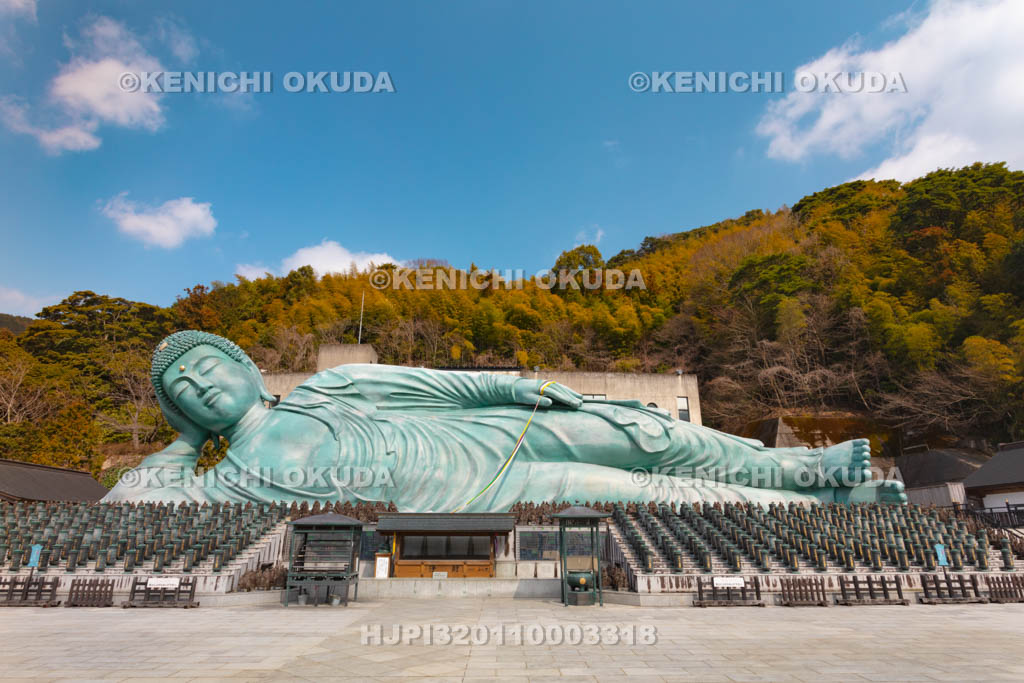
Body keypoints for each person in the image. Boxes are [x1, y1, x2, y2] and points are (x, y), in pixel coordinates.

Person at [103, 330, 906, 510]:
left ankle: (801, 467)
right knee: (644, 494)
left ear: (246, 366)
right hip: (472, 494)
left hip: (476, 434)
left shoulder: (333, 384)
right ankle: (821, 507)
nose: (203, 386)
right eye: (185, 389)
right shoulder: (213, 475)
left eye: (210, 366)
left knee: (638, 430)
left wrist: (511, 388)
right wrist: (184, 439)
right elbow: (125, 504)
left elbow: (438, 386)